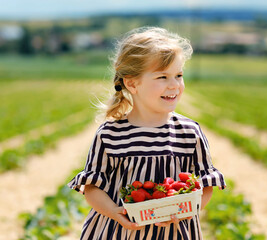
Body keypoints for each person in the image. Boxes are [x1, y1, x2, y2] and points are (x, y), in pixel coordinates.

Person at [68, 26, 226, 240]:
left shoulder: (189, 133)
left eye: (178, 75)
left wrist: (184, 211)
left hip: (174, 232)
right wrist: (114, 212)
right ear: (132, 83)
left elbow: (205, 184)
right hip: (119, 232)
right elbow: (92, 187)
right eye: (162, 77)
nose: (174, 85)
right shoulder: (110, 134)